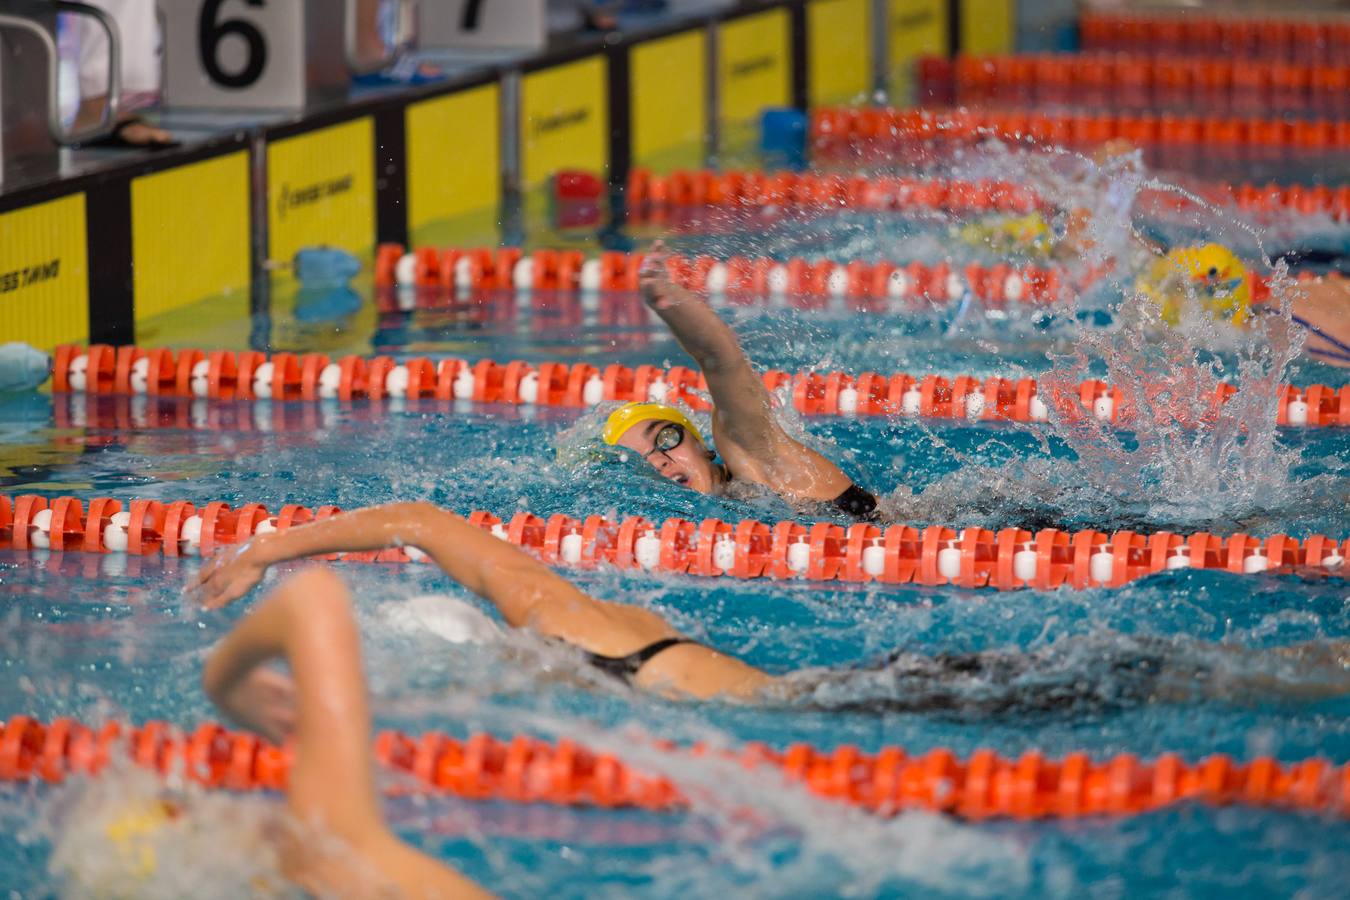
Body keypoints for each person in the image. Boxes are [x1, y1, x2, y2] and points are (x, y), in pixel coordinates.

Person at [194, 502, 1350, 714]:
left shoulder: (557, 630)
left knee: (1176, 680)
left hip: (860, 701)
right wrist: (266, 553)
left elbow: (423, 521)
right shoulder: (558, 638)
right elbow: (418, 522)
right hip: (852, 692)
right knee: (1155, 673)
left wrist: (262, 553)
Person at [57, 566, 490, 898]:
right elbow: (312, 595)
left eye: (181, 802)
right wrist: (225, 686)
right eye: (181, 804)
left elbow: (311, 595)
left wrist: (223, 689)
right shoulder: (337, 858)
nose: (224, 805)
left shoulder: (329, 862)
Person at [607, 242, 879, 520]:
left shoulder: (755, 462)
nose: (660, 461)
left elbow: (722, 360)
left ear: (705, 448)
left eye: (665, 438)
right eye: (642, 462)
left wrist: (669, 304)